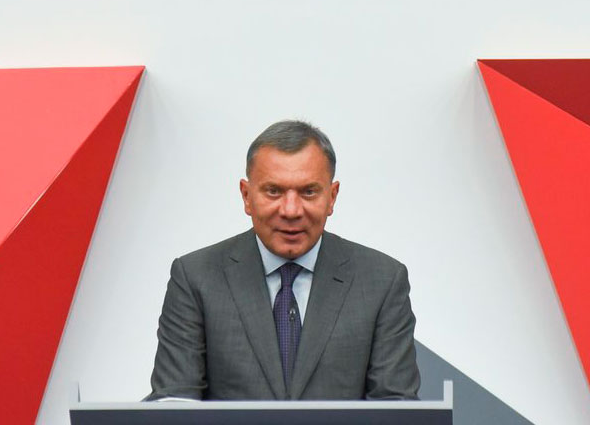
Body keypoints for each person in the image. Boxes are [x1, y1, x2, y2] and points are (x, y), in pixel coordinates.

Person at [146, 120, 420, 400]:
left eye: (308, 192)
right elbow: (174, 403)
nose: (291, 211)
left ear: (332, 197)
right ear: (246, 196)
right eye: (274, 191)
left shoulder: (382, 281)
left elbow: (395, 407)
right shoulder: (195, 278)